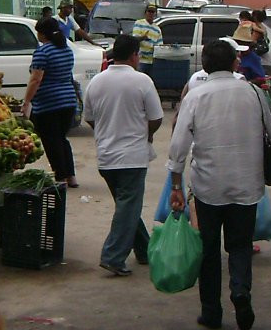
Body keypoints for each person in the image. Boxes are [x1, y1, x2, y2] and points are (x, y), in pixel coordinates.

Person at [169, 39, 271, 330]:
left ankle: (211, 312)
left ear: (204, 66)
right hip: (247, 185)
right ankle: (241, 292)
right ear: (235, 64)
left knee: (208, 250)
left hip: (208, 186)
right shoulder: (254, 93)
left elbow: (178, 146)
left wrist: (176, 186)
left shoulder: (196, 95)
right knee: (240, 246)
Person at [83, 34, 164, 276]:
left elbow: (89, 117)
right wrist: (145, 135)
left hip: (106, 156)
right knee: (128, 207)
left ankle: (144, 250)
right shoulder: (142, 81)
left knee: (127, 206)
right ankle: (113, 256)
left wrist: (105, 132)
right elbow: (156, 118)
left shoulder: (96, 82)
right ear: (133, 55)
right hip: (132, 156)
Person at [21, 14, 80, 187]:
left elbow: (36, 79)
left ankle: (60, 177)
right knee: (61, 139)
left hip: (49, 103)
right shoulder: (66, 50)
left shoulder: (43, 52)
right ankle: (71, 176)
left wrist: (26, 102)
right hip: (68, 101)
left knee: (51, 141)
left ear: (43, 33)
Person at [131, 4, 162, 73]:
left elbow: (159, 45)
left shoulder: (157, 29)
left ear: (155, 14)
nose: (150, 14)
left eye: (153, 12)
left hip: (151, 62)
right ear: (145, 13)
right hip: (140, 60)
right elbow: (134, 40)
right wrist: (143, 37)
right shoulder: (139, 23)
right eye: (149, 11)